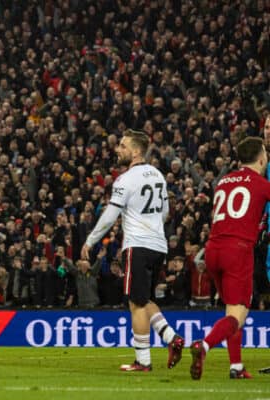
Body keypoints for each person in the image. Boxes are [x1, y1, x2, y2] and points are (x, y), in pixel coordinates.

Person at [80, 129, 184, 372]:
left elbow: (110, 216)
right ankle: (171, 338)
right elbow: (166, 212)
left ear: (136, 151)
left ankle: (143, 361)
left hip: (138, 244)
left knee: (135, 303)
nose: (119, 149)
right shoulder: (158, 175)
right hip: (158, 245)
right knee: (144, 299)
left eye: (124, 146)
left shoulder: (125, 180)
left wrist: (90, 240)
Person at [190, 137, 270, 380]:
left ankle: (236, 366)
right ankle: (203, 346)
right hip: (237, 250)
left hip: (213, 249)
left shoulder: (224, 181)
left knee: (232, 311)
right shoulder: (262, 183)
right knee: (237, 315)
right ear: (261, 158)